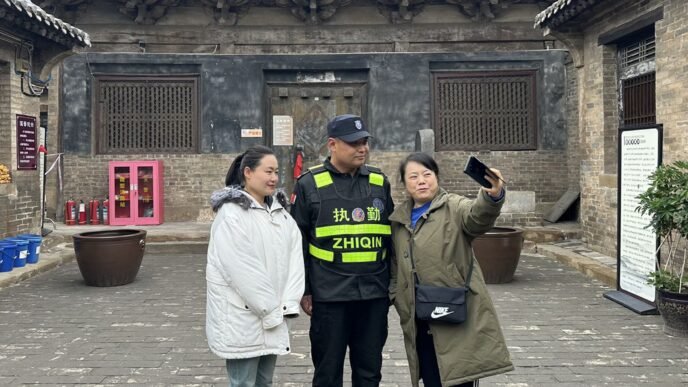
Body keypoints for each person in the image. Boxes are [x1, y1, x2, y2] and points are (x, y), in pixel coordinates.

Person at [388, 152, 514, 387]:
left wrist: (493, 196)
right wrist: (399, 297)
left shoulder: (454, 207)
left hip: (455, 315)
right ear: (404, 183)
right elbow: (395, 266)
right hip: (420, 320)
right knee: (431, 379)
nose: (421, 181)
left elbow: (477, 217)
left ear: (437, 177)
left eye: (427, 174)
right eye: (413, 176)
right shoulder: (398, 221)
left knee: (459, 379)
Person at [290, 114, 395, 387]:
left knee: (369, 373)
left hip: (373, 294)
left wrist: (394, 285)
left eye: (364, 142)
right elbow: (296, 243)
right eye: (354, 143)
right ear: (332, 145)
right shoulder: (309, 184)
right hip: (330, 296)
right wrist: (305, 290)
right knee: (327, 374)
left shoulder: (379, 182)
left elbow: (393, 239)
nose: (363, 148)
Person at [206, 145, 305, 387]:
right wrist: (271, 311)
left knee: (264, 381)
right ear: (248, 172)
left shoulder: (282, 215)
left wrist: (288, 305)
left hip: (275, 316)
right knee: (243, 383)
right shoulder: (231, 215)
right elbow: (242, 272)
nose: (274, 178)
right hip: (242, 318)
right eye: (268, 171)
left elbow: (295, 263)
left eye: (276, 172)